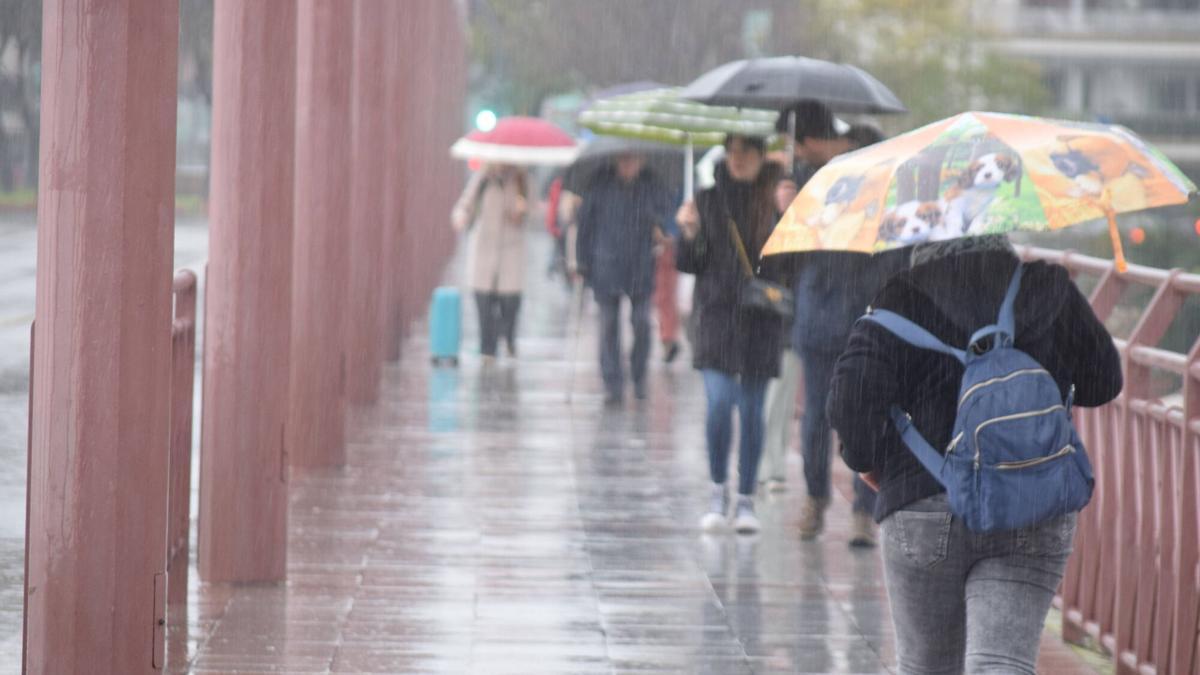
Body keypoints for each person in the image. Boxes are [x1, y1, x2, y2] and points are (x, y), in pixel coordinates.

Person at [827, 235, 1122, 673]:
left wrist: (868, 463)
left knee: (927, 665)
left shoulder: (897, 298)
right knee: (1002, 662)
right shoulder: (1045, 286)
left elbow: (850, 403)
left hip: (923, 500)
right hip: (1032, 500)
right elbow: (1104, 382)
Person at [771, 101, 908, 547]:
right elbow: (785, 256)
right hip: (827, 313)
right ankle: (819, 498)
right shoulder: (808, 181)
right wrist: (786, 213)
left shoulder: (882, 178)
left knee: (865, 413)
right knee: (821, 415)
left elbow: (898, 246)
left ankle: (862, 509)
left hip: (869, 312)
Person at [675, 135, 788, 534]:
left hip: (761, 320)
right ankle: (717, 488)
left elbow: (789, 266)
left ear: (761, 157)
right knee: (720, 403)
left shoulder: (776, 201)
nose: (737, 160)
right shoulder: (707, 200)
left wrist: (786, 216)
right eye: (732, 152)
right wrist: (688, 234)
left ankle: (745, 499)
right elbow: (690, 264)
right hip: (717, 317)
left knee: (753, 411)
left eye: (746, 153)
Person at [576, 154, 674, 406]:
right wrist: (582, 261)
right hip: (605, 264)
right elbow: (585, 224)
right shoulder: (600, 184)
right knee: (608, 325)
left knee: (641, 322)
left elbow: (664, 216)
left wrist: (659, 226)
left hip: (640, 264)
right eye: (623, 160)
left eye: (633, 160)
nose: (628, 165)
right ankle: (612, 383)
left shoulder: (651, 184)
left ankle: (639, 377)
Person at [451, 163, 529, 363]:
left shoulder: (521, 180)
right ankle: (488, 351)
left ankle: (509, 338)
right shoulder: (483, 178)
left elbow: (531, 210)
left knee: (510, 304)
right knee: (484, 305)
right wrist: (461, 217)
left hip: (511, 252)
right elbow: (465, 204)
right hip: (484, 250)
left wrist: (521, 212)